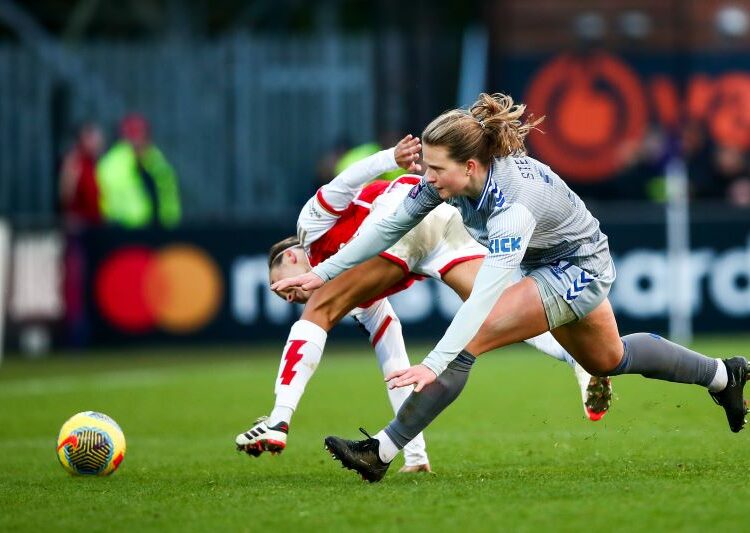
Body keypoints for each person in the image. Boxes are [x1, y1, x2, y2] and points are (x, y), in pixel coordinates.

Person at [272, 93, 749, 483]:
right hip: (559, 260)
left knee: (467, 345)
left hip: (577, 268)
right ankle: (726, 376)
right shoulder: (446, 181)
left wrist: (433, 363)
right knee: (611, 359)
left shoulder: (511, 206)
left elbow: (485, 297)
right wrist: (323, 274)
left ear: (472, 167)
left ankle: (381, 451)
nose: (426, 177)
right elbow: (387, 228)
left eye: (437, 169)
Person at [236, 135, 612, 472]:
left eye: (281, 286)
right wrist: (416, 456)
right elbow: (392, 353)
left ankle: (278, 419)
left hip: (408, 209)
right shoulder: (359, 297)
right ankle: (577, 359)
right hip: (443, 229)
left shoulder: (309, 226)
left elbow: (345, 181)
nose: (287, 294)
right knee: (496, 315)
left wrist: (390, 157)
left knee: (317, 311)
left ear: (289, 258)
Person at [96, 113, 181, 228]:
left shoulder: (156, 159)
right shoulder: (111, 165)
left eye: (141, 134)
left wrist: (171, 222)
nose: (138, 140)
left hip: (159, 229)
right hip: (125, 231)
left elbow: (168, 196)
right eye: (133, 134)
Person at [59, 121, 105, 227]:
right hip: (79, 225)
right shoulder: (74, 162)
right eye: (94, 139)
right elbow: (66, 196)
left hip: (96, 223)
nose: (98, 143)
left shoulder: (97, 163)